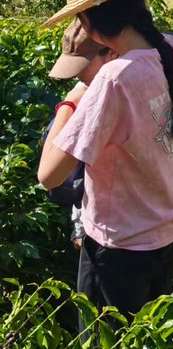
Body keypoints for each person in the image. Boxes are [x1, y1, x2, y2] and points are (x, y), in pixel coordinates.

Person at [37, 0, 173, 321]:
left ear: (89, 26)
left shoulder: (113, 80)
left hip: (118, 246)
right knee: (148, 338)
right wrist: (155, 120)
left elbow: (49, 174)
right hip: (169, 230)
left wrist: (70, 102)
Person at [45, 19, 118, 249]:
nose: (78, 76)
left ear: (110, 53)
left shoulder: (95, 97)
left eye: (83, 66)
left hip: (111, 234)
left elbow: (48, 176)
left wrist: (68, 105)